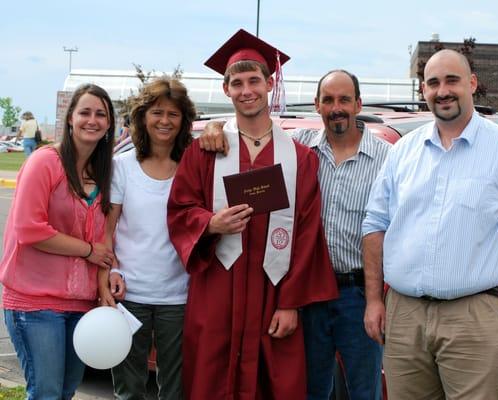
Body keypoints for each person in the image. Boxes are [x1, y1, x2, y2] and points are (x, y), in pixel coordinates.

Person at [362, 49, 498, 400]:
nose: (443, 90)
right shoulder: (403, 152)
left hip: (479, 321)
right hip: (405, 318)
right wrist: (375, 300)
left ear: (471, 83)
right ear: (424, 90)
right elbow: (375, 225)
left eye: (452, 80)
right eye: (433, 83)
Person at [167, 29, 338, 400]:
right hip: (217, 293)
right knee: (212, 383)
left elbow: (308, 234)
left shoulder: (301, 158)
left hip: (274, 294)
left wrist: (291, 303)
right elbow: (180, 209)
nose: (247, 90)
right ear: (226, 89)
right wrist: (209, 224)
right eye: (237, 83)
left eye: (255, 81)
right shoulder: (205, 152)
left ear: (270, 83)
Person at [199, 70, 389, 400]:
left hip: (357, 295)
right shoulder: (297, 147)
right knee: (310, 390)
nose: (336, 107)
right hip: (308, 294)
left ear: (358, 104)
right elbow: (250, 131)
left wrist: (376, 300)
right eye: (328, 100)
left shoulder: (387, 158)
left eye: (345, 99)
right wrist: (217, 127)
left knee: (364, 391)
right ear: (316, 105)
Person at [0, 83, 116, 400]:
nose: (92, 120)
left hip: (82, 303)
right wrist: (89, 251)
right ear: (70, 118)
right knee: (47, 392)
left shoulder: (105, 173)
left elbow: (108, 239)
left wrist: (104, 282)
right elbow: (29, 229)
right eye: (85, 112)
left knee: (65, 391)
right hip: (35, 301)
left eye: (100, 114)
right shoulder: (45, 162)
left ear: (109, 124)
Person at [98, 77, 196, 400]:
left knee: (175, 389)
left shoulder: (192, 168)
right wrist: (108, 273)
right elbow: (107, 231)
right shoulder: (123, 167)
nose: (164, 121)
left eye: (173, 113)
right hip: (130, 294)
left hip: (178, 297)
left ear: (183, 120)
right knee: (129, 389)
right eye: (156, 112)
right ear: (143, 116)